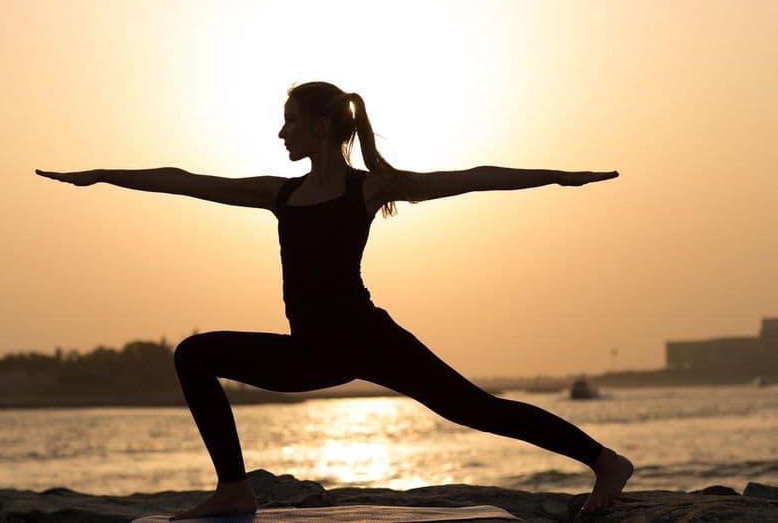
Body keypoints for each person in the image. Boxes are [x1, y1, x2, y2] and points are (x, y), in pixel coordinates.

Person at [36, 81, 633, 519]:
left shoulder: (369, 186)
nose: (280, 132)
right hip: (312, 352)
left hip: (370, 339)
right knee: (194, 355)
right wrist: (104, 175)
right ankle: (233, 489)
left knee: (475, 409)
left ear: (320, 126)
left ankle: (604, 460)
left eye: (288, 120)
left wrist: (558, 176)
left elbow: (475, 175)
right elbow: (185, 180)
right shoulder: (280, 193)